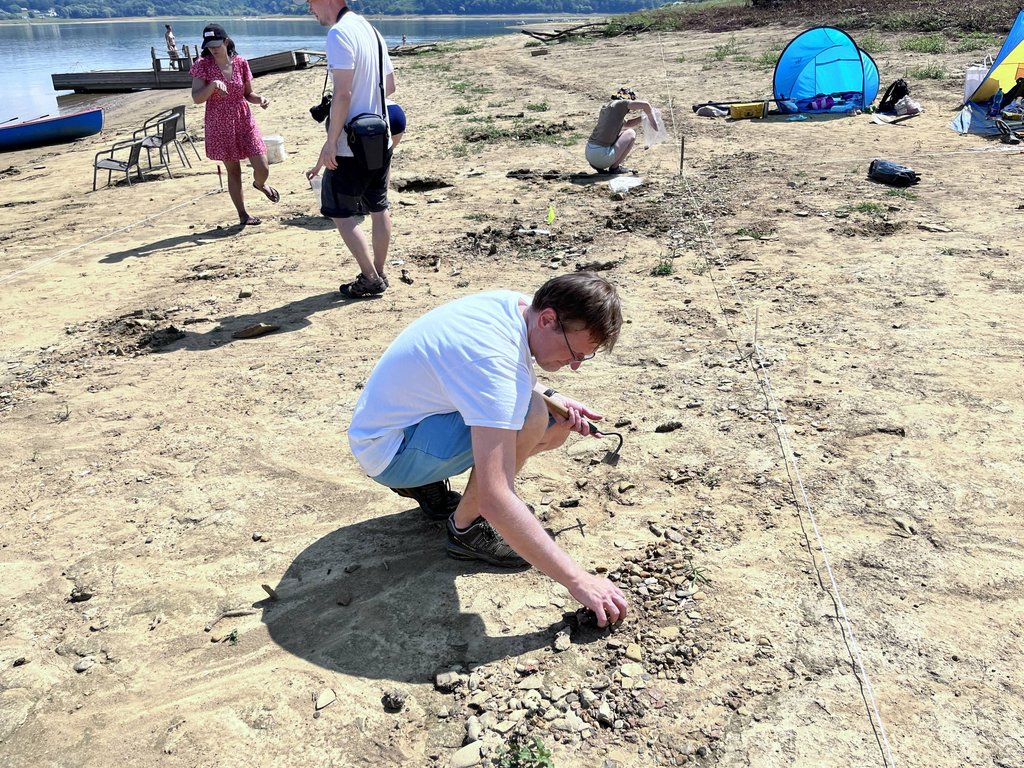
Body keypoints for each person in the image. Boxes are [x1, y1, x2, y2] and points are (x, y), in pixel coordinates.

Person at [348, 272, 630, 627]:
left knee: (550, 421)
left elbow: (499, 374)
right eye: (576, 353)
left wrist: (556, 396)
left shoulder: (515, 305)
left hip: (389, 429)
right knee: (532, 416)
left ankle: (424, 483)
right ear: (548, 320)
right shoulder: (493, 360)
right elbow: (496, 497)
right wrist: (579, 580)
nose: (574, 366)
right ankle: (466, 531)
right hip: (392, 453)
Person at [306, 0, 396, 299]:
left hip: (350, 145)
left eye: (310, 2)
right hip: (380, 137)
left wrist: (331, 142)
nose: (309, 9)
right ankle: (379, 272)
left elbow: (343, 93)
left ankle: (370, 278)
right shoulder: (372, 31)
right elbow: (390, 86)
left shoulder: (338, 33)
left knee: (340, 213)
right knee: (378, 207)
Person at [190, 23, 278, 227]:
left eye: (216, 44)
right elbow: (196, 98)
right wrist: (211, 86)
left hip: (243, 118)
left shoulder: (240, 62)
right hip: (219, 122)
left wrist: (261, 99)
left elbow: (248, 94)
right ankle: (243, 215)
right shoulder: (202, 64)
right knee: (234, 171)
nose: (212, 48)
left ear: (226, 41)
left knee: (262, 165)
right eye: (208, 45)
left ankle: (260, 184)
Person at [585, 87, 659, 175]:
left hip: (589, 154)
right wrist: (652, 119)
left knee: (623, 133)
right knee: (631, 133)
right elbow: (646, 105)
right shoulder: (621, 104)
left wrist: (644, 117)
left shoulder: (609, 108)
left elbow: (627, 124)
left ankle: (600, 166)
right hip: (601, 156)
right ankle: (615, 168)